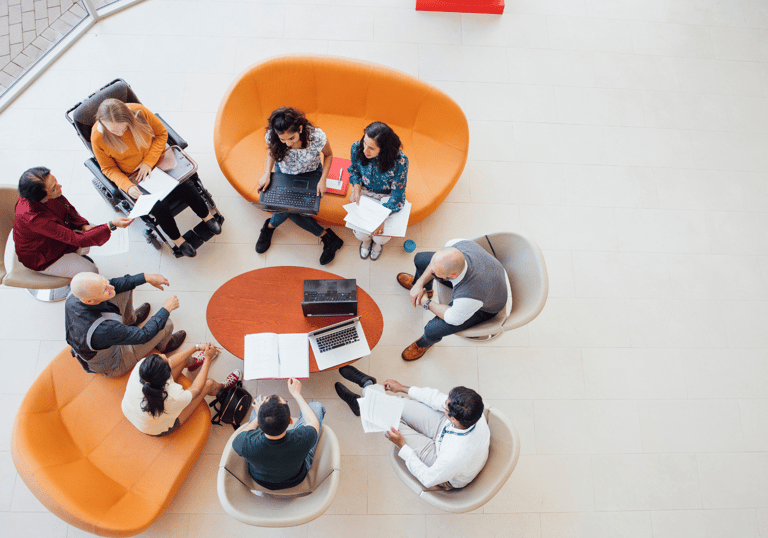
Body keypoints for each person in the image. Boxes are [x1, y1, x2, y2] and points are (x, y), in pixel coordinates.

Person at [91, 98, 221, 258]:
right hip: (135, 176)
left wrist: (148, 162)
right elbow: (108, 168)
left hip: (158, 159)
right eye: (113, 130)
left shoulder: (139, 112)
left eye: (123, 128)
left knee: (186, 185)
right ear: (102, 123)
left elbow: (161, 134)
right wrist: (128, 186)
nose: (120, 133)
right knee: (157, 207)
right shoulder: (98, 137)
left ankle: (207, 216)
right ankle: (178, 240)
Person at [334, 365, 489, 490]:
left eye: (446, 405)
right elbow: (434, 398)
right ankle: (368, 388)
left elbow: (428, 478)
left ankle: (362, 402)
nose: (444, 403)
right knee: (398, 405)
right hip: (445, 428)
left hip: (440, 462)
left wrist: (402, 446)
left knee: (388, 425)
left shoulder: (453, 456)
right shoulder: (472, 409)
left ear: (453, 418)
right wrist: (402, 388)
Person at [254, 107, 343, 265]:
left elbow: (328, 155)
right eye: (283, 140)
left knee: (292, 209)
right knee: (289, 208)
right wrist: (267, 173)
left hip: (311, 173)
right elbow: (271, 152)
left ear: (300, 129)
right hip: (284, 172)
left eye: (292, 138)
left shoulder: (316, 136)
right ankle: (328, 237)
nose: (288, 143)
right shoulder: (273, 136)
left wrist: (323, 179)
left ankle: (269, 226)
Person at [397, 239, 508, 361]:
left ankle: (424, 343)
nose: (431, 270)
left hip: (487, 306)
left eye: (435, 272)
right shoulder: (457, 244)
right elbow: (432, 265)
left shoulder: (470, 295)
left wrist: (425, 302)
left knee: (432, 329)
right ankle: (426, 290)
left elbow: (453, 318)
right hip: (487, 275)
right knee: (421, 259)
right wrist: (419, 283)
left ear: (452, 276)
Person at [13, 166, 133, 277]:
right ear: (42, 197)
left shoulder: (37, 195)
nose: (60, 186)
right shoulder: (35, 219)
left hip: (52, 237)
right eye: (54, 188)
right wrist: (111, 225)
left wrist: (82, 225)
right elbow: (77, 239)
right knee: (91, 271)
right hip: (42, 255)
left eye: (55, 181)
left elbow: (66, 207)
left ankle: (76, 258)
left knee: (92, 232)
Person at [65, 271, 186, 378]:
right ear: (89, 301)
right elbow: (144, 335)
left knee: (125, 287)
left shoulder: (74, 296)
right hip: (114, 362)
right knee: (166, 324)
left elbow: (115, 283)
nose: (110, 287)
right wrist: (166, 308)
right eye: (104, 290)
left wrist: (146, 277)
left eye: (105, 281)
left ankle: (131, 322)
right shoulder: (103, 329)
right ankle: (162, 346)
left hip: (107, 337)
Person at [122, 343, 242, 436]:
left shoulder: (142, 366)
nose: (166, 357)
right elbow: (196, 389)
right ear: (165, 380)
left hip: (130, 410)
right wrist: (208, 358)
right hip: (154, 428)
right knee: (208, 384)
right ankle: (221, 389)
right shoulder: (173, 397)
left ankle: (193, 363)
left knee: (183, 359)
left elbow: (170, 362)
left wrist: (196, 347)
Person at [232, 378, 325, 490]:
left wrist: (258, 417)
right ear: (290, 421)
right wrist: (297, 394)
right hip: (295, 478)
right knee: (316, 407)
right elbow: (313, 422)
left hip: (261, 481)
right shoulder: (303, 438)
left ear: (259, 424)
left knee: (257, 401)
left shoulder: (245, 443)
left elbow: (239, 437)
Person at [348, 122, 408, 261]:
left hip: (387, 196)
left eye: (371, 148)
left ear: (384, 149)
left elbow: (397, 193)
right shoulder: (357, 147)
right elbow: (354, 170)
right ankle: (366, 242)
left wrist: (382, 216)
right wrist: (356, 189)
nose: (365, 150)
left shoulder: (400, 161)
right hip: (364, 190)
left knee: (380, 237)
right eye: (365, 143)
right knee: (361, 233)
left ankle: (377, 244)